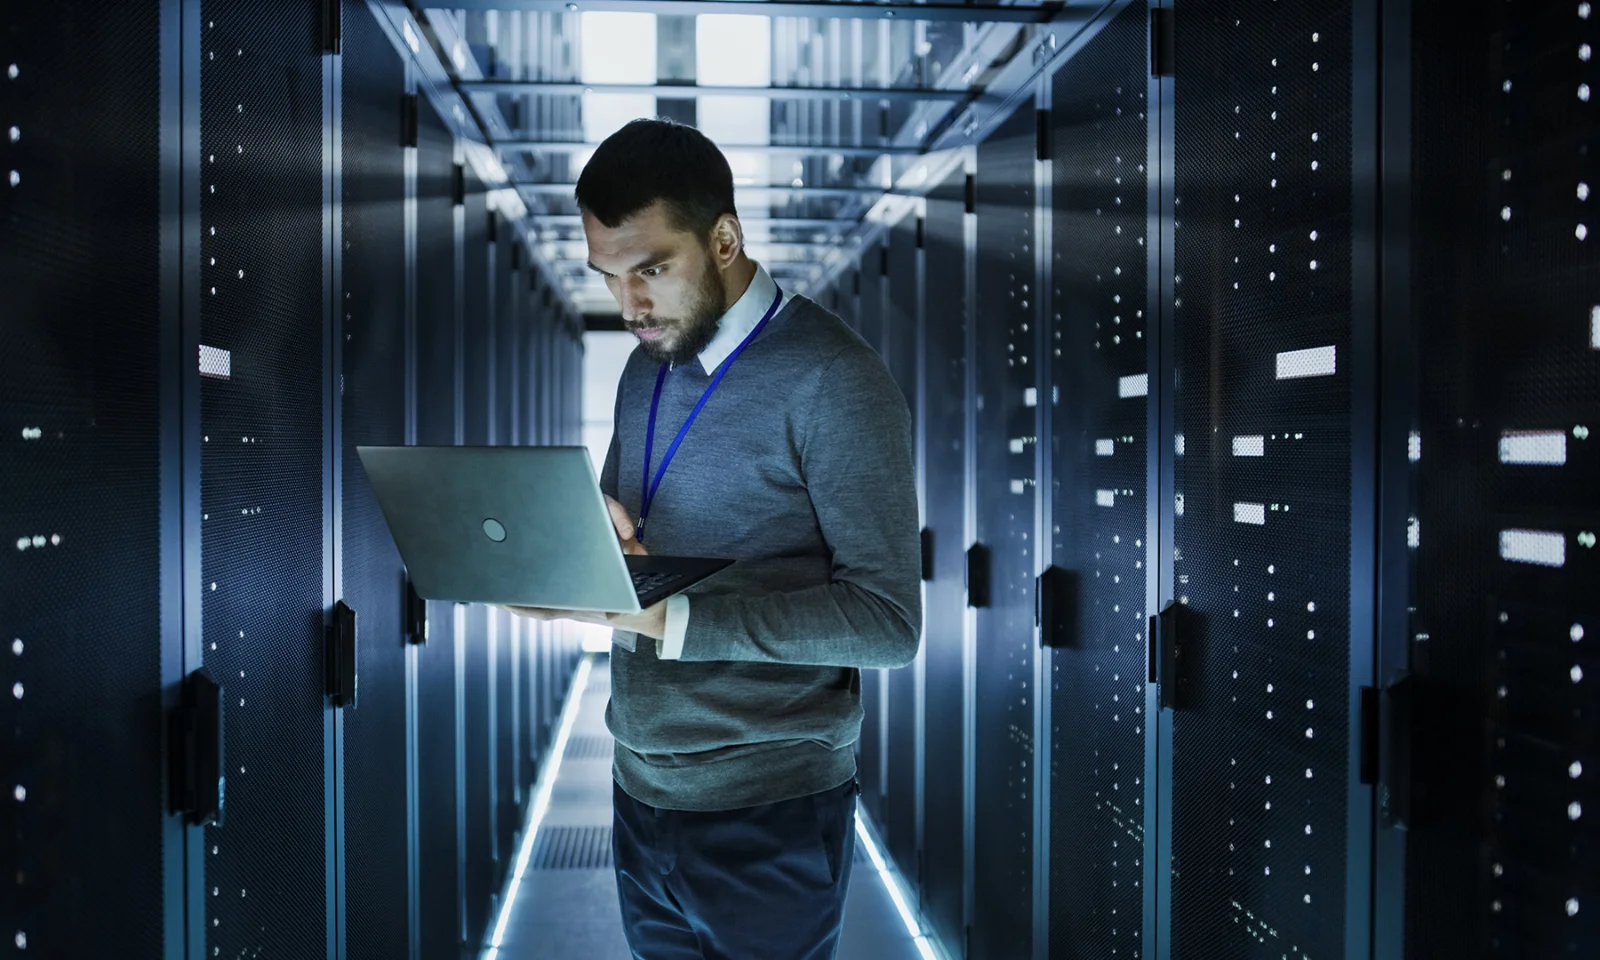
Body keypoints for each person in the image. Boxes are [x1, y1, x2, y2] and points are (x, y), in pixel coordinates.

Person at [503, 117, 922, 960]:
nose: (630, 306)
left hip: (770, 806)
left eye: (652, 270)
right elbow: (639, 531)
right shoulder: (645, 366)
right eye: (611, 278)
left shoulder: (833, 378)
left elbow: (887, 622)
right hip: (642, 783)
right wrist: (579, 545)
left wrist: (679, 620)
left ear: (724, 238)